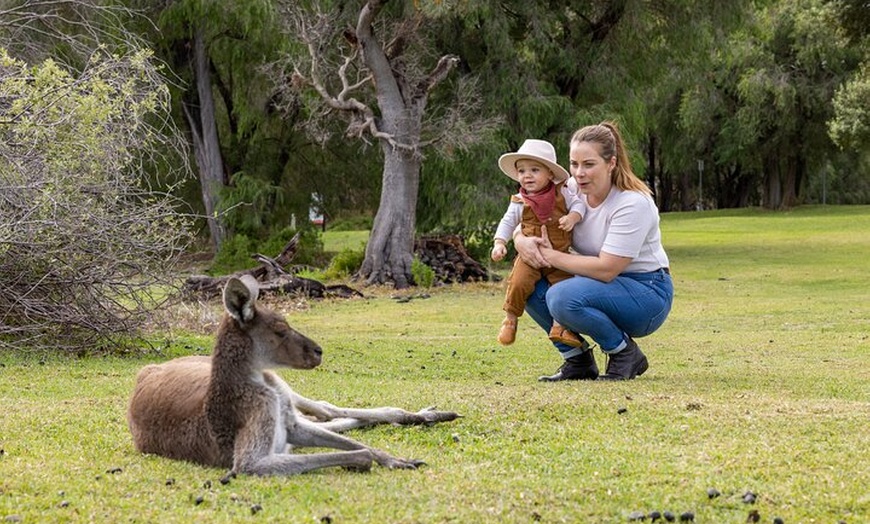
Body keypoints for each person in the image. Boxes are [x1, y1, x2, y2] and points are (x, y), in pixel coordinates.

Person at [512, 122, 674, 381]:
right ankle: (577, 361)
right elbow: (523, 216)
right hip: (595, 284)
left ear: (611, 163)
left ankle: (624, 353)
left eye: (589, 164)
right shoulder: (570, 192)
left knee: (561, 296)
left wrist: (549, 257)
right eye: (574, 164)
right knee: (525, 283)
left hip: (646, 293)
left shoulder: (632, 203)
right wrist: (520, 240)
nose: (579, 173)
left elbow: (607, 269)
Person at [491, 139, 587, 347]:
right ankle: (510, 319)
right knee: (519, 282)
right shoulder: (520, 200)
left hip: (560, 256)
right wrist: (500, 242)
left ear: (550, 174)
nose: (527, 175)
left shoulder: (563, 194)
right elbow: (508, 221)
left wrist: (573, 218)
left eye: (534, 170)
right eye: (522, 171)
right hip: (531, 255)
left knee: (564, 290)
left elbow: (579, 205)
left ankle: (559, 327)